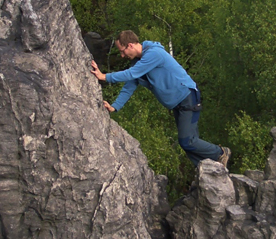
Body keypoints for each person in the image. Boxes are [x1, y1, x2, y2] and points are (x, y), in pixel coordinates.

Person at [90, 30, 230, 168]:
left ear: (130, 45)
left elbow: (131, 74)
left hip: (188, 97)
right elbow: (129, 86)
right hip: (178, 103)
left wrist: (104, 77)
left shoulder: (153, 54)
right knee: (188, 144)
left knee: (187, 141)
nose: (122, 55)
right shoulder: (138, 63)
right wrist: (115, 106)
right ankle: (209, 169)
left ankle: (220, 153)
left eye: (122, 51)